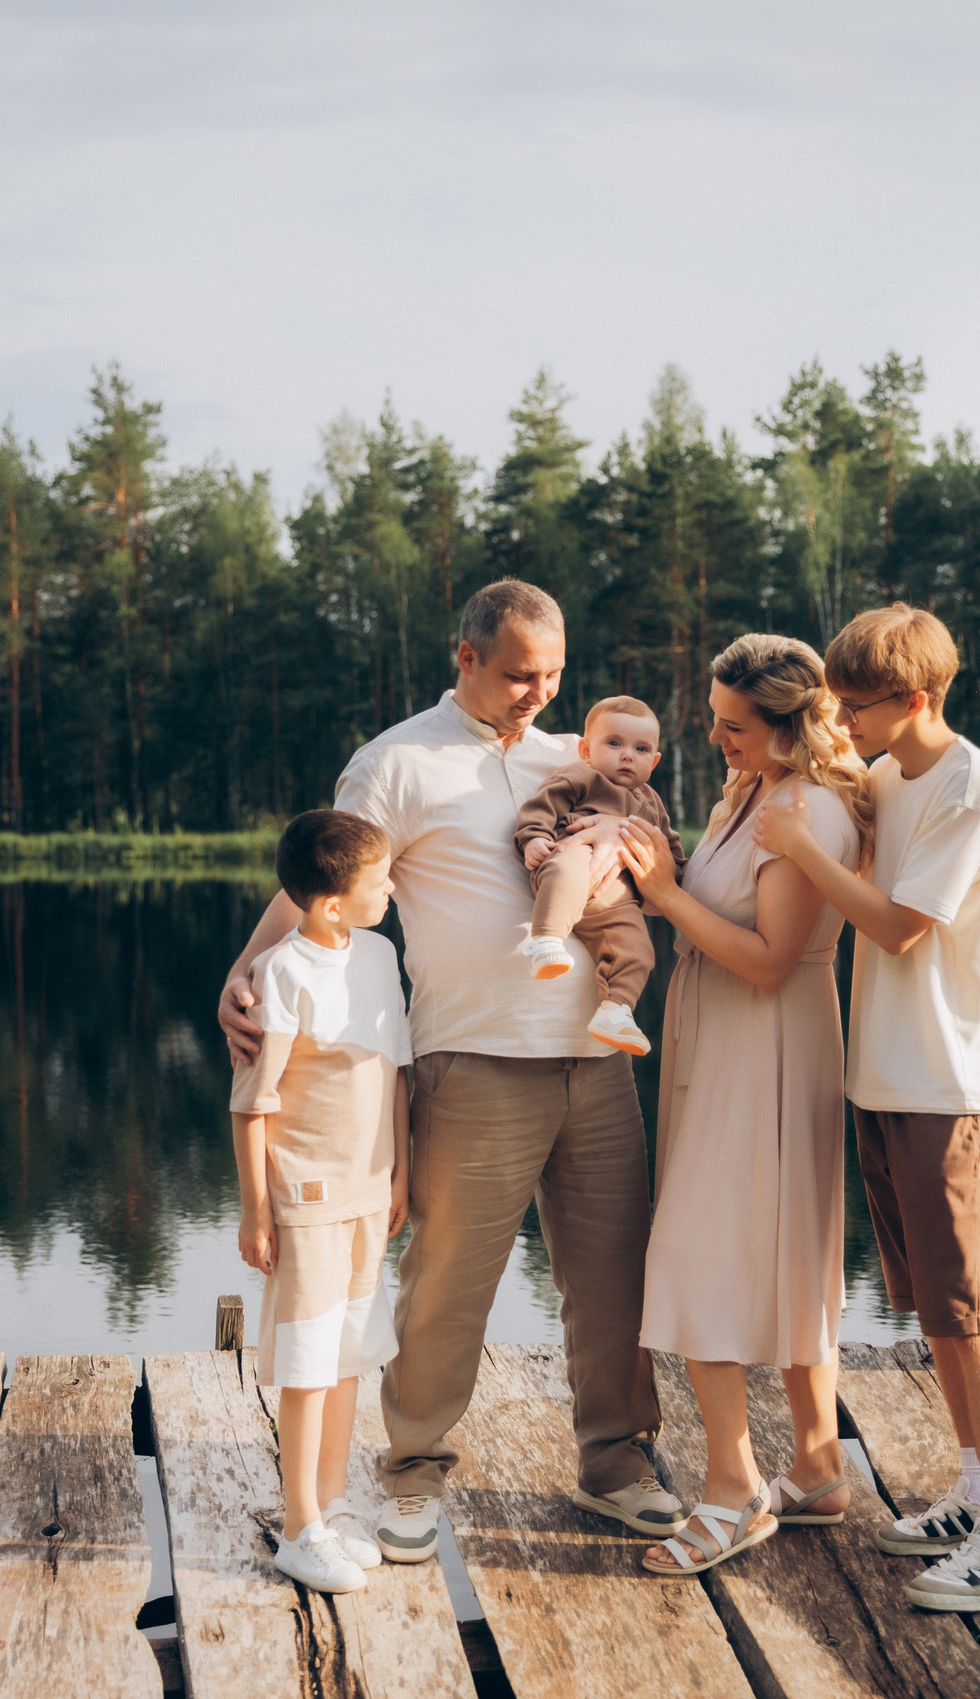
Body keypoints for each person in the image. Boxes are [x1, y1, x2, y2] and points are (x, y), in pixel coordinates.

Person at [217, 579, 683, 1567]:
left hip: (598, 1056)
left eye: (553, 674)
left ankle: (616, 1461)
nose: (538, 693)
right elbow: (318, 884)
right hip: (472, 1059)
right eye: (520, 674)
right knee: (444, 1283)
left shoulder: (576, 754)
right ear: (465, 655)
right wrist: (245, 969)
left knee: (611, 1276)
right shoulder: (395, 762)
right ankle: (415, 1469)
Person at [752, 602, 980, 1612]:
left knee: (972, 1313)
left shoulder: (969, 784)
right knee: (933, 1312)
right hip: (883, 1079)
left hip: (946, 1086)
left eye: (858, 705)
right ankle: (972, 1489)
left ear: (914, 699)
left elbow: (899, 927)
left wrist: (802, 845)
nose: (845, 719)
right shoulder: (885, 776)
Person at [614, 633, 870, 1576]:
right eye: (713, 721)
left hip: (764, 1039)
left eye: (732, 726)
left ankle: (733, 1491)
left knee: (696, 1248)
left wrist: (668, 898)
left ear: (787, 724)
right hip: (719, 1032)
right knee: (782, 1245)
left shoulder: (805, 809)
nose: (715, 738)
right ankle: (817, 1462)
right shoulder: (758, 791)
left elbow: (768, 961)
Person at [230, 808, 413, 1595]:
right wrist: (255, 1209)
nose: (394, 889)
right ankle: (300, 1525)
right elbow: (252, 1101)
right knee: (307, 1366)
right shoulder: (284, 973)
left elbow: (395, 1072)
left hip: (372, 1195)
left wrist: (401, 1174)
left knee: (348, 1358)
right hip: (303, 1201)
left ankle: (333, 1507)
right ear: (331, 902)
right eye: (382, 881)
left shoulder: (377, 954)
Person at [514, 694, 684, 1058]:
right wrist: (533, 838)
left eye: (641, 749)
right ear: (586, 750)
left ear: (653, 761)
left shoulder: (652, 802)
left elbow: (668, 850)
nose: (627, 755)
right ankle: (546, 941)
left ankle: (615, 1010)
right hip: (571, 858)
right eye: (614, 743)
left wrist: (674, 871)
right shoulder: (580, 775)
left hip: (616, 899)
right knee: (569, 866)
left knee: (637, 948)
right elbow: (543, 805)